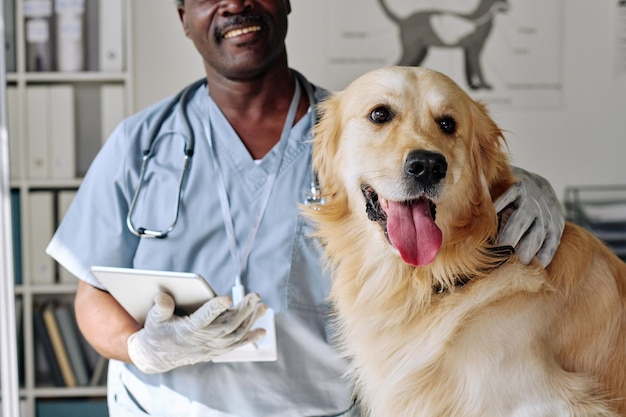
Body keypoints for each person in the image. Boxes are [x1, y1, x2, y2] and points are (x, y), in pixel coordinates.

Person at [46, 0, 564, 416]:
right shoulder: (140, 142)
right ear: (183, 17)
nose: (236, 5)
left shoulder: (360, 129)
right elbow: (91, 298)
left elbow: (452, 200)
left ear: (287, 3)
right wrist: (142, 347)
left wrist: (514, 182)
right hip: (165, 407)